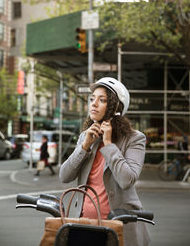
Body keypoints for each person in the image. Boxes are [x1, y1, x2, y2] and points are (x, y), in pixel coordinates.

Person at [59, 77, 151, 246]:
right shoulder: (86, 137)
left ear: (115, 108)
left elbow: (127, 180)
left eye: (102, 100)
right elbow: (64, 176)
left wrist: (108, 144)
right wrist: (85, 146)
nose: (94, 104)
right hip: (84, 224)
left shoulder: (134, 139)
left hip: (117, 225)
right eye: (92, 98)